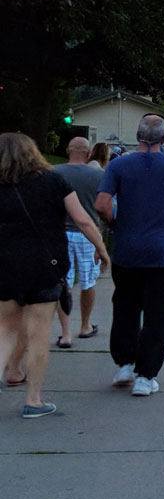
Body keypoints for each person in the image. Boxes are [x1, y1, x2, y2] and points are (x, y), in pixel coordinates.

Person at [1, 132, 110, 417]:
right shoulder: (53, 180)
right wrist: (102, 248)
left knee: (5, 331)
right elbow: (83, 220)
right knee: (38, 335)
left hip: (5, 268)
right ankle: (33, 400)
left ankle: (9, 372)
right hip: (45, 267)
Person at [94, 115, 164, 397]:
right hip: (163, 252)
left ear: (137, 135)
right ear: (163, 138)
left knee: (125, 307)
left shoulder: (118, 164)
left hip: (127, 251)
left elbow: (101, 203)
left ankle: (124, 364)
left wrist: (115, 223)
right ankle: (146, 377)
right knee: (158, 315)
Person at [50, 137, 107, 347]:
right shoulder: (99, 175)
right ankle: (85, 326)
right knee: (88, 281)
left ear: (67, 150)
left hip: (59, 232)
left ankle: (65, 333)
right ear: (89, 153)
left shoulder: (53, 173)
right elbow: (103, 207)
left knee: (63, 282)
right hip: (88, 233)